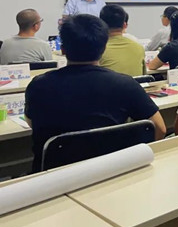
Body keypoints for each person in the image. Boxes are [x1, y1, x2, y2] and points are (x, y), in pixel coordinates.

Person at [24, 14, 166, 172]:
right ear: (103, 49)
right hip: (111, 173)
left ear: (62, 49)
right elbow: (159, 128)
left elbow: (32, 123)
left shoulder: (39, 85)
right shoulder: (125, 84)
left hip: (53, 179)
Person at [99, 5, 145, 76]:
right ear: (124, 25)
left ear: (101, 24)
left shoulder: (98, 51)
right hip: (135, 83)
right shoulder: (139, 48)